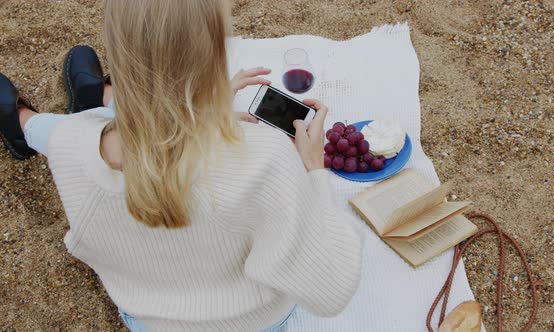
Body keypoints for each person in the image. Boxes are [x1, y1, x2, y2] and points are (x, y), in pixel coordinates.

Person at [0, 0, 364, 331]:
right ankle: (100, 96)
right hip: (252, 323)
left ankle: (28, 121)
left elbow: (149, 159)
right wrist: (313, 168)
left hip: (149, 318)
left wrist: (204, 110)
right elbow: (331, 289)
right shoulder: (265, 159)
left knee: (71, 126)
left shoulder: (70, 146)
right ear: (214, 53)